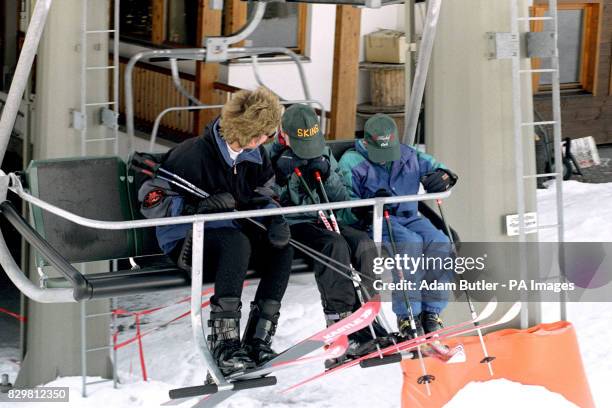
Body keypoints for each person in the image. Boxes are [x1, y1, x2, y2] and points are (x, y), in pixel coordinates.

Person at [138, 87, 293, 376]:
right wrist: (196, 210)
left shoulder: (256, 157)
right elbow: (151, 200)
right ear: (249, 132)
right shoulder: (193, 154)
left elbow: (264, 190)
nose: (266, 141)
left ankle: (257, 339)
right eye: (265, 135)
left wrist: (273, 217)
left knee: (282, 249)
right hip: (186, 242)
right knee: (236, 244)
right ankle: (225, 345)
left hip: (232, 235)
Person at [268, 104, 391, 365]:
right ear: (284, 134)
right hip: (291, 225)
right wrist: (277, 175)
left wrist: (326, 174)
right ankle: (341, 324)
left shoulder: (322, 151)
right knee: (334, 245)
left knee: (362, 243)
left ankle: (369, 316)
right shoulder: (269, 154)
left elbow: (341, 200)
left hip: (323, 218)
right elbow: (261, 199)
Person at [338, 113, 458, 339]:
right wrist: (367, 206)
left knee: (440, 242)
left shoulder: (408, 155)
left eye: (388, 153)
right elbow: (344, 206)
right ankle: (408, 316)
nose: (384, 159)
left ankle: (431, 314)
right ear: (366, 142)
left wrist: (443, 177)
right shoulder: (351, 162)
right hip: (378, 221)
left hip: (409, 216)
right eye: (379, 154)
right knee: (409, 245)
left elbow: (440, 170)